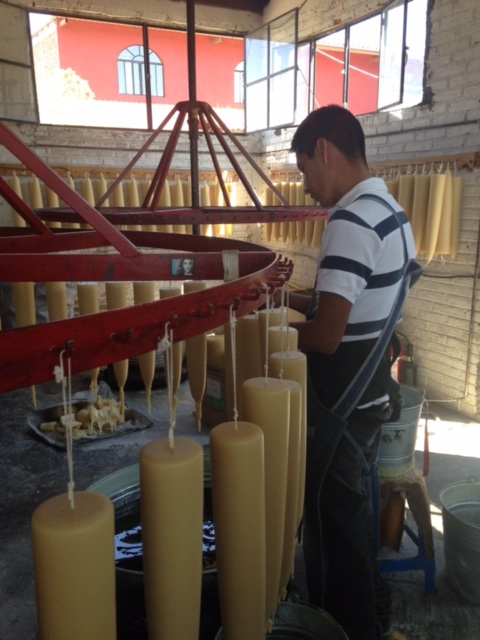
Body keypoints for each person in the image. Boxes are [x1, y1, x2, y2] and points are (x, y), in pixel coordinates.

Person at [284, 105, 417, 640]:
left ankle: (348, 627)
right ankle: (372, 618)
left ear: (323, 150)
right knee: (353, 521)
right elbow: (352, 303)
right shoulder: (392, 213)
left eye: (303, 169)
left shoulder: (350, 219)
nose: (305, 185)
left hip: (339, 407)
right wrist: (287, 298)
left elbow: (326, 336)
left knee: (335, 533)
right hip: (370, 395)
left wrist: (264, 332)